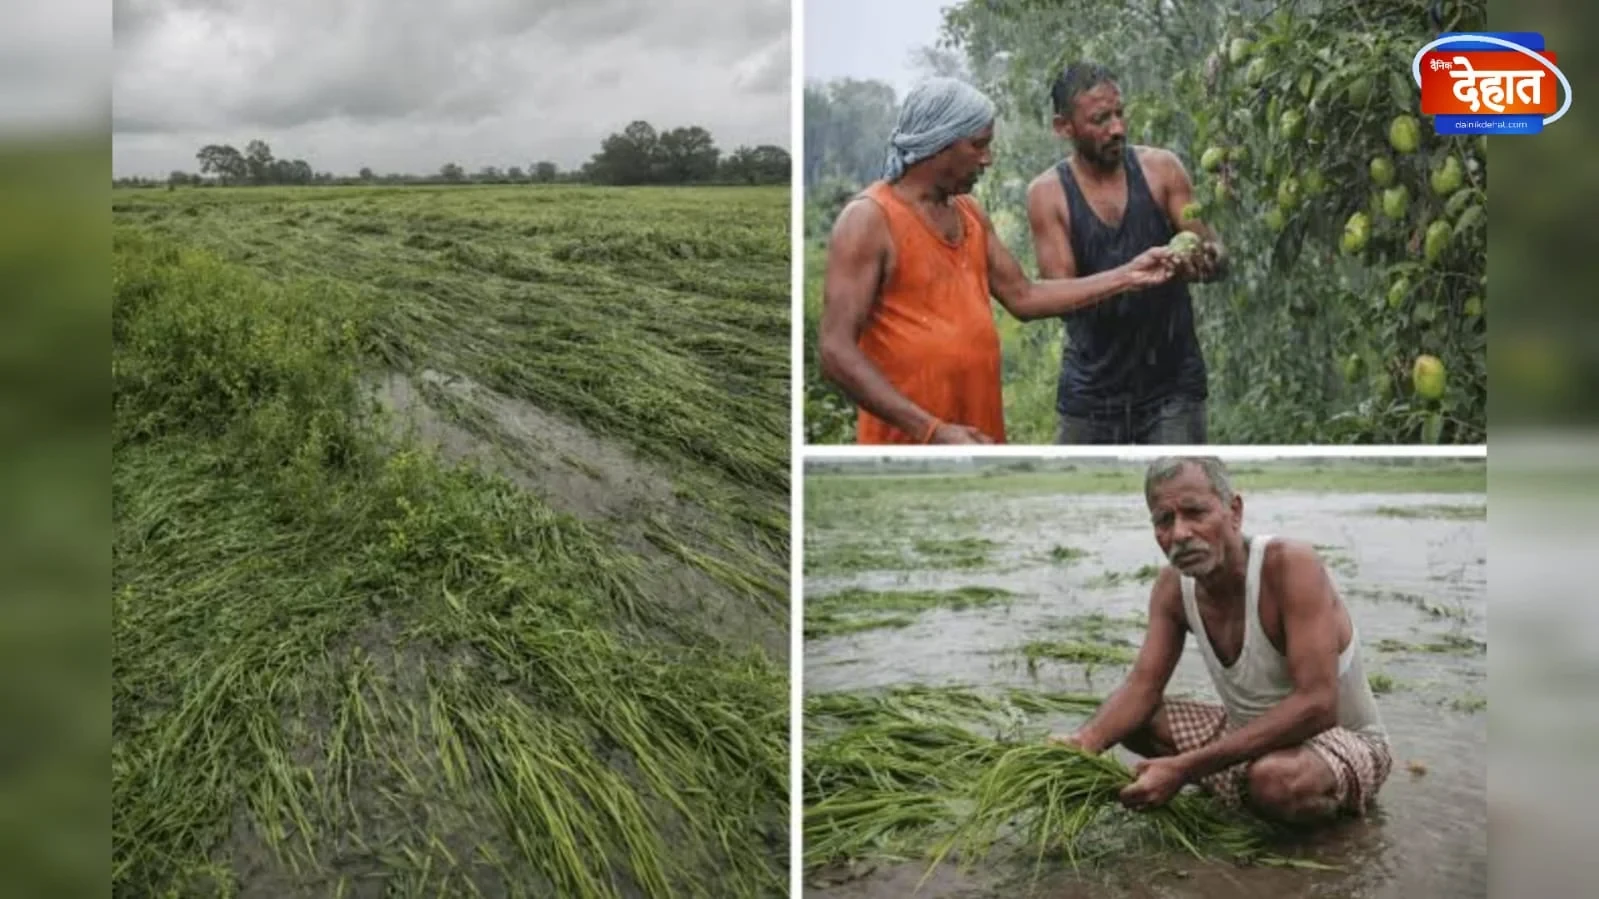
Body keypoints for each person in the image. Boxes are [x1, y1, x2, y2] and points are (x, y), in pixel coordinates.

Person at [818, 76, 1179, 445]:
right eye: (978, 145)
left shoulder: (968, 213)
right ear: (938, 145)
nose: (987, 159)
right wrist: (930, 430)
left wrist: (1129, 275)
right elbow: (835, 349)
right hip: (908, 441)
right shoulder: (869, 219)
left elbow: (1024, 296)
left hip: (980, 432)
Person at [1051, 457, 1392, 825]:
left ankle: (1292, 805)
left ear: (1234, 511)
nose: (1180, 533)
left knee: (1275, 780)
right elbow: (1142, 686)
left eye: (1195, 512)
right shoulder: (1172, 588)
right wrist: (1085, 743)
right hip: (1251, 737)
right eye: (1164, 520)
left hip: (1339, 740)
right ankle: (1246, 790)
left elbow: (1318, 705)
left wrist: (1183, 769)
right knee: (1132, 721)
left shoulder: (1289, 566)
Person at [1026, 63, 1229, 445]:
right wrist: (1130, 276)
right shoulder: (1048, 194)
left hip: (1173, 387)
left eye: (1119, 113)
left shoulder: (1162, 170)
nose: (1117, 128)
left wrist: (1202, 261)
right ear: (1063, 127)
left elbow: (1217, 254)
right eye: (1100, 119)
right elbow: (1062, 297)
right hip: (1091, 392)